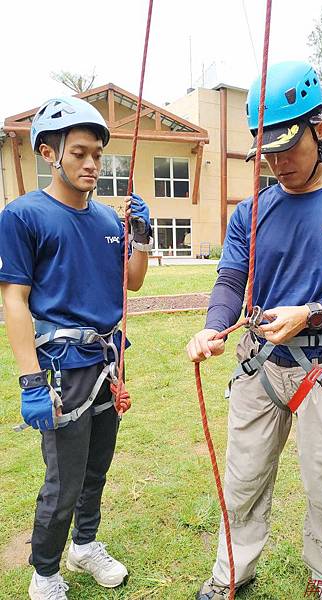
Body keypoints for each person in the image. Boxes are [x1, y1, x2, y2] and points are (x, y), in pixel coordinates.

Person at [186, 61, 322, 599]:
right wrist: (213, 328)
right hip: (258, 366)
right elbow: (231, 278)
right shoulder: (252, 211)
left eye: (288, 147)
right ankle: (231, 574)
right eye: (268, 151)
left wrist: (311, 313)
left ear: (320, 129)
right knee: (241, 484)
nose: (278, 163)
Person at [0, 96, 152, 600]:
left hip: (107, 363)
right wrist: (30, 382)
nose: (92, 165)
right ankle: (44, 573)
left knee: (96, 468)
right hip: (63, 370)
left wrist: (142, 236)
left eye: (98, 156)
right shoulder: (24, 217)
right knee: (62, 480)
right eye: (80, 153)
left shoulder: (109, 221)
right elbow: (15, 302)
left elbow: (132, 283)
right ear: (49, 153)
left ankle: (84, 546)